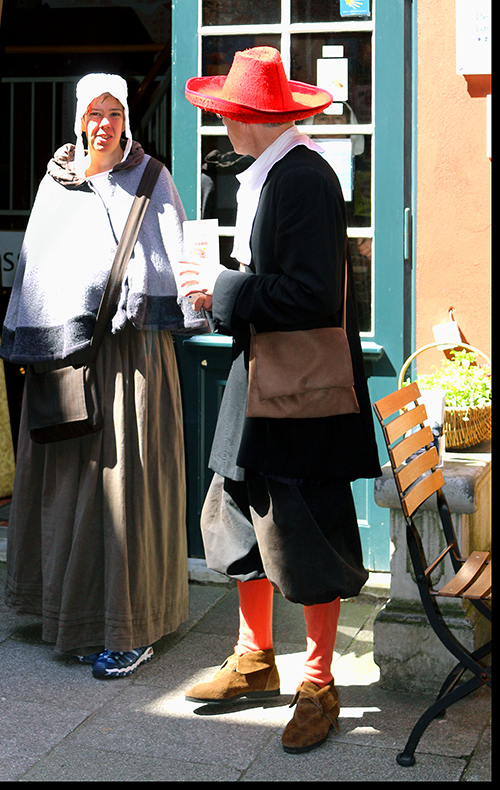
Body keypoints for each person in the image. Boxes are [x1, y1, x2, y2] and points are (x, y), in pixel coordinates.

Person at [178, 47, 381, 753]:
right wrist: (224, 281)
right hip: (260, 375)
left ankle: (318, 685)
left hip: (297, 387)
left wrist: (224, 289)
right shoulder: (271, 175)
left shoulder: (301, 181)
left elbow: (310, 295)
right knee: (235, 514)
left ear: (250, 119)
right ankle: (255, 659)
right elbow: (279, 279)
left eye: (227, 114)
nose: (222, 124)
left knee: (306, 533)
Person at [1, 72, 207, 679]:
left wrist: (137, 296)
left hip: (131, 359)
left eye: (114, 112)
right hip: (68, 359)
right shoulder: (56, 183)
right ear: (77, 118)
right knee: (68, 487)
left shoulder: (152, 180)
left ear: (127, 120)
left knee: (126, 490)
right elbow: (36, 268)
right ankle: (62, 611)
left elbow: (172, 263)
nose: (103, 124)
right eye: (93, 113)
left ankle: (128, 627)